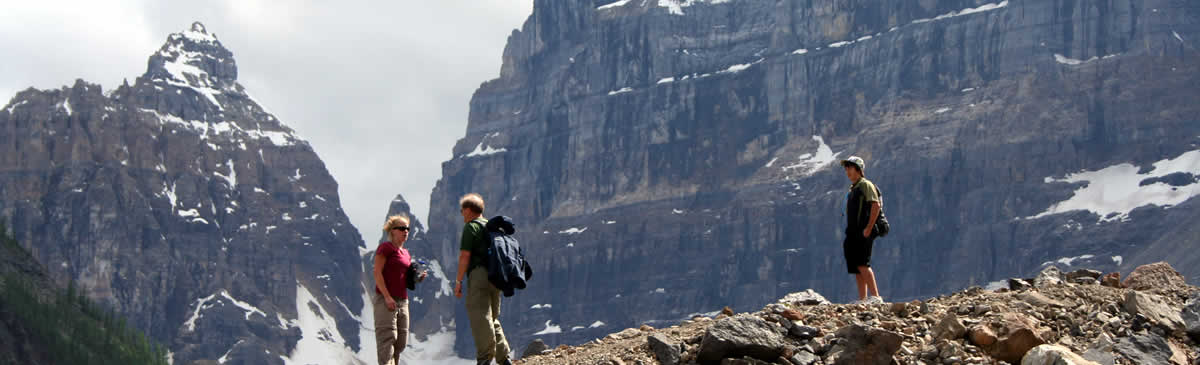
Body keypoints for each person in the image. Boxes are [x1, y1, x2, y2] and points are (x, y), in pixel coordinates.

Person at [453, 193, 512, 365]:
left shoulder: (471, 227)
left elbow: (465, 255)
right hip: (497, 276)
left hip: (479, 275)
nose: (461, 214)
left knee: (479, 315)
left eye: (461, 210)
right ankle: (504, 358)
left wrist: (458, 282)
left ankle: (484, 358)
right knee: (492, 317)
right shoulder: (492, 227)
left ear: (468, 210)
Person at [373, 214, 426, 365]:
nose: (406, 231)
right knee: (387, 340)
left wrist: (418, 278)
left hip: (403, 301)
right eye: (402, 228)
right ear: (392, 231)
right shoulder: (385, 248)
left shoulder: (406, 253)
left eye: (408, 229)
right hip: (385, 300)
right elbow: (377, 273)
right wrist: (387, 297)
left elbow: (405, 278)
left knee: (401, 342)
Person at [841, 156, 884, 304]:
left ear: (858, 169)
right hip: (853, 232)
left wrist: (868, 227)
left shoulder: (866, 185)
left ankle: (876, 297)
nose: (847, 171)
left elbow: (875, 205)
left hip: (863, 231)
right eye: (846, 168)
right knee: (856, 266)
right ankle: (863, 299)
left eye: (850, 168)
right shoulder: (854, 188)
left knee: (863, 264)